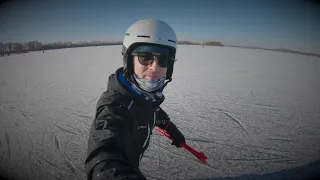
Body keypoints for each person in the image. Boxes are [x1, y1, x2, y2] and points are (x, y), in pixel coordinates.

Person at [85, 19, 186, 180]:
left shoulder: (144, 96)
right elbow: (105, 151)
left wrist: (171, 129)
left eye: (163, 60)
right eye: (145, 58)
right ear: (129, 61)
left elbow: (152, 111)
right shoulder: (114, 104)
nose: (154, 67)